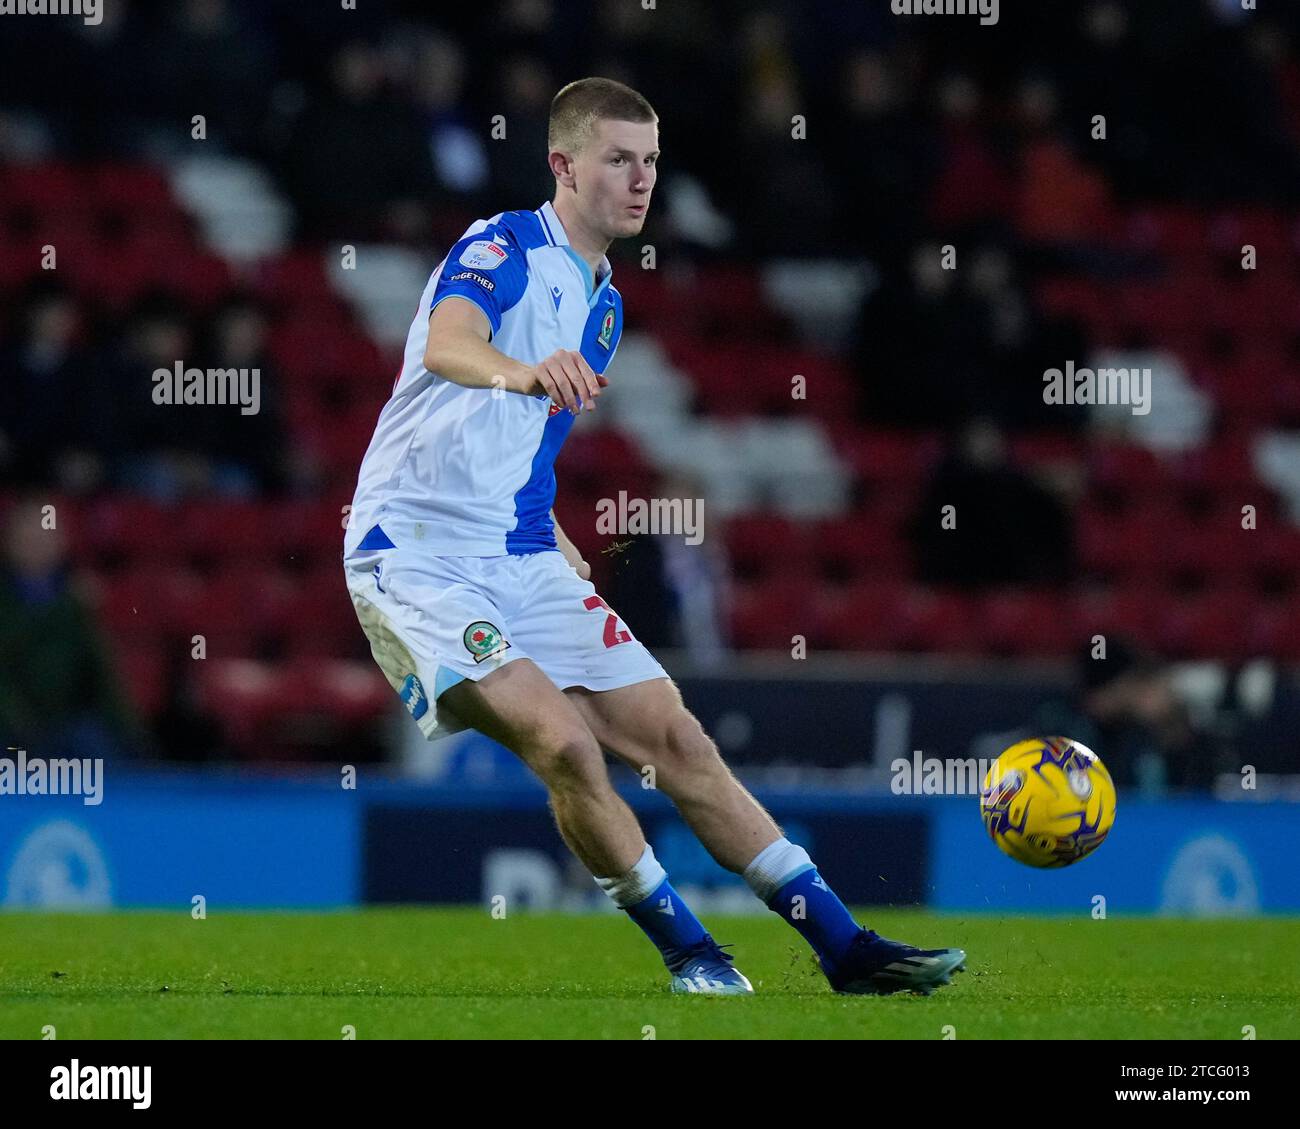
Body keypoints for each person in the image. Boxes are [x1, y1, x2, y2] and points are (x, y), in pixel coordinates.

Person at [343, 77, 964, 996]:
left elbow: (517, 444)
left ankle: (846, 946)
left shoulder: (603, 309)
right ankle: (692, 952)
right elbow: (448, 345)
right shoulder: (502, 245)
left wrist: (545, 525)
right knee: (565, 746)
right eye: (619, 160)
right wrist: (519, 372)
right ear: (564, 164)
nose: (641, 181)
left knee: (676, 737)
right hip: (415, 555)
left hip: (516, 551)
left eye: (652, 162)